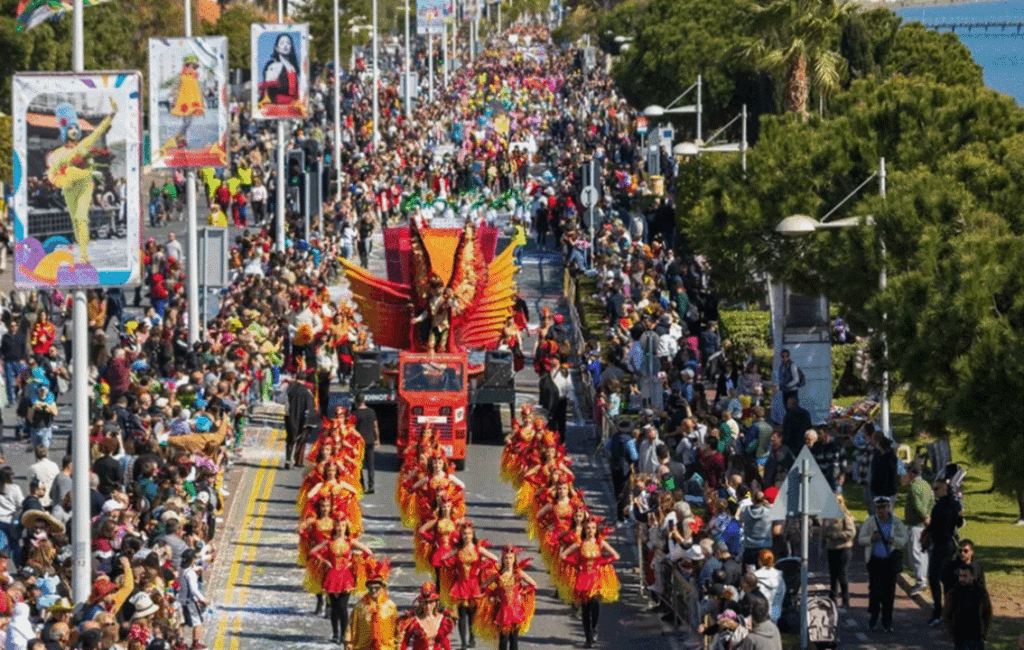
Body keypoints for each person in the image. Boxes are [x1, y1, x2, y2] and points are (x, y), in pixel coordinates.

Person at [45, 99, 118, 264]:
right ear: (64, 131)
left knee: (81, 217)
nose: (72, 130)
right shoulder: (58, 153)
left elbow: (98, 131)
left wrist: (112, 115)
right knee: (75, 220)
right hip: (69, 188)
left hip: (84, 185)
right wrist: (59, 181)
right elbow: (52, 172)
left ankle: (84, 256)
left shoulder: (84, 145)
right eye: (69, 128)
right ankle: (82, 250)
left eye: (75, 128)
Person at [561, 521, 620, 648]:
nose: (590, 530)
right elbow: (563, 556)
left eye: (593, 528)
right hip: (582, 578)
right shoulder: (579, 544)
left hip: (596, 578)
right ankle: (588, 638)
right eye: (587, 528)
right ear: (584, 530)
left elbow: (616, 555)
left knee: (594, 607)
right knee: (585, 610)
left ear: (596, 529)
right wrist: (576, 564)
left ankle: (593, 629)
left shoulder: (601, 543)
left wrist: (602, 562)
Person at [857, 496, 908, 632]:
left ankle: (887, 622)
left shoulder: (896, 523)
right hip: (875, 562)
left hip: (889, 562)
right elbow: (861, 539)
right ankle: (874, 616)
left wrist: (894, 540)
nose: (881, 511)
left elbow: (904, 539)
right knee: (875, 591)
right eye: (878, 508)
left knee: (889, 594)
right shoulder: (870, 522)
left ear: (888, 507)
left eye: (883, 507)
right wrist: (871, 539)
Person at [477, 545, 538, 650]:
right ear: (502, 559)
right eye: (506, 558)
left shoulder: (518, 574)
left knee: (514, 641)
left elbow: (534, 585)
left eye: (510, 558)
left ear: (514, 559)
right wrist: (493, 594)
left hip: (516, 611)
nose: (508, 560)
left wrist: (522, 592)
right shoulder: (497, 575)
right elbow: (483, 586)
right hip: (503, 611)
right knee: (503, 641)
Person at [928, 478, 965, 627]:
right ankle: (949, 612)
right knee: (946, 580)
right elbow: (960, 523)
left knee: (934, 577)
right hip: (950, 545)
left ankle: (939, 612)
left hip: (941, 545)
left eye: (936, 489)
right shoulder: (955, 504)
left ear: (944, 489)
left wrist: (929, 533)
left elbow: (936, 527)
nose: (934, 492)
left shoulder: (939, 507)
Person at [346, 558, 399, 650]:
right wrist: (348, 642)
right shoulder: (360, 606)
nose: (373, 590)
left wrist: (398, 642)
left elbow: (396, 627)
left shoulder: (390, 606)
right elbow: (351, 625)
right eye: (370, 588)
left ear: (382, 588)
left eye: (376, 588)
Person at [942, 564, 992, 650]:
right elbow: (947, 614)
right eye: (960, 576)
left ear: (972, 576)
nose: (962, 579)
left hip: (977, 636)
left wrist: (984, 633)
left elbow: (987, 613)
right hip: (960, 638)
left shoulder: (980, 592)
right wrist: (952, 634)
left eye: (965, 576)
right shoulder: (953, 593)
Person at [903, 461, 934, 595]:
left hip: (916, 524)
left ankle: (921, 581)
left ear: (911, 474)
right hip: (924, 526)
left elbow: (918, 505)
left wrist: (924, 516)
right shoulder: (926, 485)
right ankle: (923, 578)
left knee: (915, 553)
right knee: (923, 552)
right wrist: (929, 515)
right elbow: (932, 501)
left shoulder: (914, 487)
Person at [821, 495, 856, 608]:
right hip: (831, 549)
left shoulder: (845, 516)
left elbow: (851, 533)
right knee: (833, 574)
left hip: (843, 549)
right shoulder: (827, 517)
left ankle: (845, 599)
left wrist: (837, 535)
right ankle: (833, 598)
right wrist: (822, 546)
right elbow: (823, 532)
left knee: (842, 574)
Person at [400, 583, 455, 650]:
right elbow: (405, 643)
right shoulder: (413, 621)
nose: (428, 606)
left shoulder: (443, 621)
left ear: (435, 603)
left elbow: (446, 642)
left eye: (430, 602)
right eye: (425, 603)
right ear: (421, 603)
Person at [602, 419, 637, 524]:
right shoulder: (629, 441)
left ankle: (619, 515)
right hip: (625, 470)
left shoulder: (614, 438)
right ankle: (623, 517)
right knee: (625, 493)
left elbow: (605, 448)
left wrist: (611, 458)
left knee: (617, 491)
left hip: (614, 467)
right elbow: (634, 457)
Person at [284, 375, 317, 469]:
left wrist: (287, 413)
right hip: (303, 420)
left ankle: (287, 460)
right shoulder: (307, 391)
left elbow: (283, 401)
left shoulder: (289, 388)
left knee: (290, 439)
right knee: (301, 441)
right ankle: (297, 461)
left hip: (290, 418)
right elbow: (310, 407)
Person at [178, 548, 209, 650]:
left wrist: (201, 567)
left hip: (181, 598)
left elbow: (201, 566)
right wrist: (203, 599)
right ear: (191, 559)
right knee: (197, 622)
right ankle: (195, 644)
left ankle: (180, 643)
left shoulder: (181, 569)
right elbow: (194, 590)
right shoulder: (190, 574)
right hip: (190, 601)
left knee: (181, 622)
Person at [260, 33, 300, 105]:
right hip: (278, 103)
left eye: (288, 43)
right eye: (282, 43)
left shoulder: (293, 67)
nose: (285, 46)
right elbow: (266, 87)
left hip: (293, 104)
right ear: (276, 48)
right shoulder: (273, 64)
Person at [352, 393, 379, 494]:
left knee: (359, 464)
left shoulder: (355, 413)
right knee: (371, 464)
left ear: (356, 401)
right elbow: (376, 426)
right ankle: (371, 485)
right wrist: (377, 439)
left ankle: (361, 485)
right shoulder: (371, 412)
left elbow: (352, 428)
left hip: (360, 442)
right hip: (370, 440)